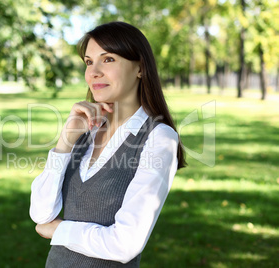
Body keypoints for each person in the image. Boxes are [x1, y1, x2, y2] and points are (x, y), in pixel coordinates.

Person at [29, 21, 186, 267]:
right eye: (89, 62)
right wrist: (64, 143)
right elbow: (40, 214)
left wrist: (59, 230)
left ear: (140, 68)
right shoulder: (84, 129)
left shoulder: (159, 138)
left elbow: (125, 244)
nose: (94, 72)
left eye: (108, 59)